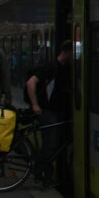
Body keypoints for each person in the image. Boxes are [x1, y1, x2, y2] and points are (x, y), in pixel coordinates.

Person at [25, 40, 73, 185]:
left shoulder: (67, 67)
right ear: (67, 52)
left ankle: (47, 172)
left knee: (54, 142)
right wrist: (35, 105)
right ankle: (40, 174)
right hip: (47, 111)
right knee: (50, 143)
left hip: (57, 111)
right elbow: (30, 83)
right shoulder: (51, 66)